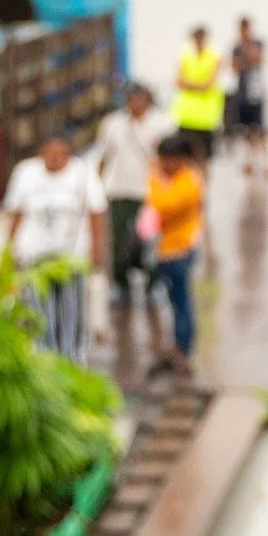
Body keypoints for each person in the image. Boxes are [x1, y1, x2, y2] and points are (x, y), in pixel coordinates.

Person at [5, 132, 109, 363]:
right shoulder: (25, 173)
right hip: (35, 257)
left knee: (71, 312)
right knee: (39, 312)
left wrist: (97, 249)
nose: (54, 159)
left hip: (71, 257)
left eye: (60, 154)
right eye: (49, 154)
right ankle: (44, 357)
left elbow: (97, 211)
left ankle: (72, 358)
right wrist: (9, 250)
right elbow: (15, 212)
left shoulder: (83, 173)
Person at [97, 82, 174, 353]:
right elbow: (104, 156)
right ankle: (121, 285)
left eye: (139, 98)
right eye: (131, 98)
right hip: (120, 190)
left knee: (150, 242)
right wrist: (97, 186)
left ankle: (153, 285)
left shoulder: (162, 124)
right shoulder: (113, 125)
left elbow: (170, 159)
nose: (135, 103)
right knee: (119, 241)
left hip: (149, 193)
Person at [145, 133, 205, 379]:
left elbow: (162, 204)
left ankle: (184, 351)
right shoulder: (164, 177)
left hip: (181, 249)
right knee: (172, 300)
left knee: (182, 302)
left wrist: (156, 183)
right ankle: (179, 347)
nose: (166, 165)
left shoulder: (189, 180)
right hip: (162, 249)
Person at [171, 26, 224, 165]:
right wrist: (198, 85)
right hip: (187, 115)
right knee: (184, 157)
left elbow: (208, 85)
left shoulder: (214, 57)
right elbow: (179, 81)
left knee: (204, 158)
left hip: (206, 117)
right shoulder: (186, 56)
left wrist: (191, 85)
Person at [231, 16, 268, 178]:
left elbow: (259, 59)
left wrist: (247, 57)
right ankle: (249, 161)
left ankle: (265, 162)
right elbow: (234, 66)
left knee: (260, 130)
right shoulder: (236, 47)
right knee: (246, 130)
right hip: (242, 93)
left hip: (256, 92)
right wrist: (247, 58)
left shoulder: (258, 43)